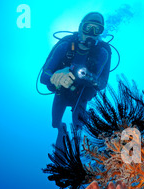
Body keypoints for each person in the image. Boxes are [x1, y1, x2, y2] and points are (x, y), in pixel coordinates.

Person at [40, 12, 111, 149]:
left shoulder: (103, 52)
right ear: (80, 28)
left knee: (79, 127)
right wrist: (56, 77)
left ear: (100, 33)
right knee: (55, 123)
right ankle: (62, 128)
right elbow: (44, 76)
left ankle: (76, 150)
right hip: (62, 93)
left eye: (97, 29)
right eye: (88, 27)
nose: (92, 32)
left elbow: (102, 84)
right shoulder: (65, 45)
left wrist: (86, 76)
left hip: (82, 95)